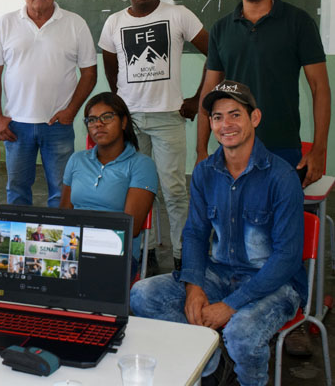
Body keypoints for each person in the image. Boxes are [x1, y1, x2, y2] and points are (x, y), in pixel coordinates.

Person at [131, 80, 307, 386]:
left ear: (255, 118)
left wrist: (231, 305)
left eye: (235, 114)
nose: (226, 124)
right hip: (219, 272)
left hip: (275, 284)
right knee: (142, 295)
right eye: (216, 117)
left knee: (241, 332)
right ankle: (210, 362)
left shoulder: (281, 177)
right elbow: (195, 234)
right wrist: (193, 286)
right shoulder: (204, 172)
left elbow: (287, 258)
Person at [99, 0, 209, 272]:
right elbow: (111, 65)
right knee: (136, 190)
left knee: (173, 190)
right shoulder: (114, 23)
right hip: (130, 121)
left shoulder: (178, 14)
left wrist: (197, 97)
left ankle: (182, 256)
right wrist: (120, 101)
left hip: (167, 118)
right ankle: (141, 252)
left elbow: (216, 54)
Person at [197, 0, 330, 189]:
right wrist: (200, 150)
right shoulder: (221, 29)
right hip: (231, 144)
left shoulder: (298, 22)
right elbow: (209, 90)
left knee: (280, 222)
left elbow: (320, 88)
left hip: (282, 146)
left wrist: (320, 149)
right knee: (231, 220)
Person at [0, 0, 97, 207]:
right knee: (16, 191)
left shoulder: (74, 23)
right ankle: (19, 245)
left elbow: (89, 73)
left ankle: (57, 245)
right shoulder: (6, 23)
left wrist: (71, 111)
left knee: (61, 192)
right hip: (16, 125)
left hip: (57, 125)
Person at [60, 92, 157, 278]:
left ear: (123, 122)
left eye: (107, 117)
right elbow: (64, 214)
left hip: (116, 252)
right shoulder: (76, 160)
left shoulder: (141, 165)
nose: (98, 124)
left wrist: (84, 239)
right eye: (92, 119)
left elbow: (131, 227)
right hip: (75, 248)